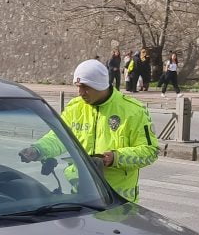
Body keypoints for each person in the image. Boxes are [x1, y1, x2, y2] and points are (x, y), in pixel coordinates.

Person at [19, 59, 158, 202]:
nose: (80, 93)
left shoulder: (133, 111)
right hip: (81, 195)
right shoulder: (75, 107)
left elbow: (150, 151)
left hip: (118, 201)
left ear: (100, 86)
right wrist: (38, 149)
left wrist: (114, 158)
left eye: (85, 87)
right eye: (78, 86)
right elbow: (60, 138)